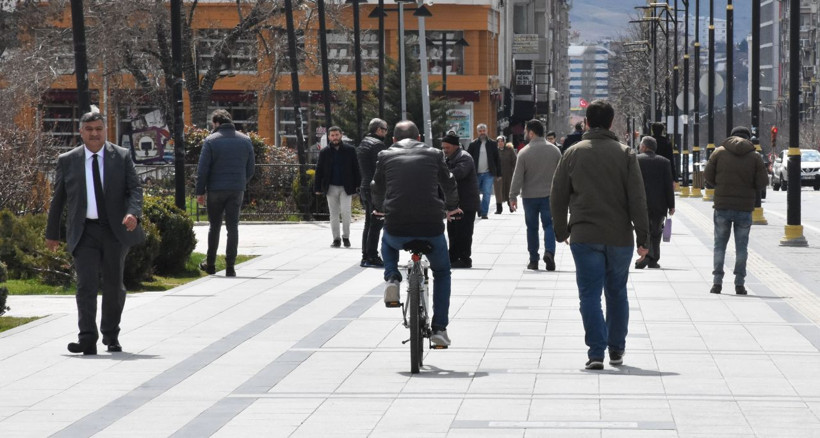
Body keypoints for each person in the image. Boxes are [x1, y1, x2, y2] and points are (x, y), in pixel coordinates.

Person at [551, 100, 649, 370]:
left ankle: (596, 353)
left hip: (584, 235)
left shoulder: (572, 153)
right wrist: (644, 239)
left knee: (589, 295)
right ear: (611, 122)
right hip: (620, 237)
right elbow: (637, 199)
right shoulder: (626, 153)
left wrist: (560, 231)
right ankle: (616, 349)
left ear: (586, 122)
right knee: (617, 292)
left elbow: (557, 196)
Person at [45, 111, 146, 355]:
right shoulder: (68, 160)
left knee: (113, 286)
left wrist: (133, 213)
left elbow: (135, 189)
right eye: (89, 129)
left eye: (99, 129)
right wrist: (52, 233)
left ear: (105, 130)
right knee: (86, 285)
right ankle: (87, 339)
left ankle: (111, 336)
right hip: (84, 231)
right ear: (81, 132)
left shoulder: (121, 156)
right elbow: (58, 199)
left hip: (114, 231)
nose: (94, 133)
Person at [371, 121, 461, 347]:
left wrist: (380, 208)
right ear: (419, 138)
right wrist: (452, 207)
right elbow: (449, 182)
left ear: (393, 140)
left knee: (387, 242)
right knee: (442, 272)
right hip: (430, 226)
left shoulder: (385, 155)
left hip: (397, 225)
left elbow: (376, 186)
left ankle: (392, 277)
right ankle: (439, 329)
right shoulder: (434, 154)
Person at [704, 126, 768, 295]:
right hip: (744, 208)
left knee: (719, 246)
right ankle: (739, 283)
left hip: (722, 206)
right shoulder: (755, 156)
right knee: (742, 247)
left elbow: (708, 176)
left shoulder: (719, 152)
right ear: (748, 138)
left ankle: (717, 282)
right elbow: (762, 182)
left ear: (731, 137)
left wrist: (720, 186)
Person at [195, 109, 256, 277]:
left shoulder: (211, 141)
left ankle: (210, 264)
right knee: (233, 227)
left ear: (217, 123)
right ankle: (230, 266)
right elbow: (251, 169)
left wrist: (200, 192)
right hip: (236, 189)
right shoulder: (245, 140)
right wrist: (241, 182)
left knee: (214, 226)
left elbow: (202, 169)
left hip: (215, 189)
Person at [508, 119, 562, 271]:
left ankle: (533, 260)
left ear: (531, 133)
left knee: (532, 228)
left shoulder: (524, 152)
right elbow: (561, 175)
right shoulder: (554, 151)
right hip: (549, 195)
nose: (525, 133)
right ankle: (549, 253)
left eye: (526, 131)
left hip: (530, 197)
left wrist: (512, 196)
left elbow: (517, 176)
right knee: (549, 225)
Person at [315, 126, 361, 248]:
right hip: (330, 187)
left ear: (341, 135)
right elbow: (319, 170)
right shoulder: (324, 152)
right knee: (333, 214)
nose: (335, 137)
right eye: (332, 135)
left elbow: (356, 168)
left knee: (346, 212)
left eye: (337, 135)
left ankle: (346, 237)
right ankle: (336, 239)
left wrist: (358, 185)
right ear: (329, 137)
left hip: (346, 187)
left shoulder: (350, 150)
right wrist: (317, 188)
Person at [635, 136, 675, 269]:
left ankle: (645, 256)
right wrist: (671, 205)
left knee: (643, 230)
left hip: (641, 202)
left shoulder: (636, 160)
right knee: (656, 232)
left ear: (644, 147)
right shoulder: (664, 162)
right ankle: (653, 259)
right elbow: (668, 185)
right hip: (660, 204)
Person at [441, 133, 479, 268]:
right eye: (443, 148)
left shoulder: (464, 157)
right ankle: (453, 257)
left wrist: (441, 174)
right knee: (453, 232)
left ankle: (464, 259)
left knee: (464, 233)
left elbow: (458, 174)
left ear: (455, 146)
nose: (445, 150)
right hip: (455, 203)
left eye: (447, 148)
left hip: (466, 203)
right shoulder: (449, 158)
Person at [357, 118, 389, 267]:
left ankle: (366, 255)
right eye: (385, 129)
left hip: (365, 186)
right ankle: (371, 256)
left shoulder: (364, 143)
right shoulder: (377, 145)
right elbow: (381, 169)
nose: (386, 133)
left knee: (369, 223)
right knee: (376, 223)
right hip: (374, 189)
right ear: (378, 130)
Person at [467, 123, 500, 219]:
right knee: (475, 193)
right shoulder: (473, 144)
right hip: (475, 174)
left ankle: (484, 213)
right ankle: (479, 208)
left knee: (487, 193)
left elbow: (497, 159)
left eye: (484, 130)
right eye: (480, 131)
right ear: (477, 132)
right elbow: (468, 159)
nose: (482, 133)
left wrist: (499, 173)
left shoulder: (492, 144)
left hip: (488, 173)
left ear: (487, 131)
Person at [492, 135, 517, 214]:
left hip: (509, 174)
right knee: (498, 191)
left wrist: (514, 172)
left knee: (509, 190)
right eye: (498, 141)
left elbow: (514, 161)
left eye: (502, 141)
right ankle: (499, 208)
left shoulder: (509, 150)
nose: (500, 143)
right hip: (498, 175)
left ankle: (511, 206)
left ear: (504, 142)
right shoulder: (494, 151)